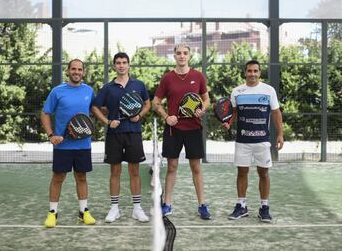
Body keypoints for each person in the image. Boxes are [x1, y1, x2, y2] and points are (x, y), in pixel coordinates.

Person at [152, 43, 211, 220]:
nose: (182, 56)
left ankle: (202, 205)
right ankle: (167, 204)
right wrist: (166, 116)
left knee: (196, 167)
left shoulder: (198, 76)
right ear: (174, 56)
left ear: (189, 55)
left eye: (185, 53)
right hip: (173, 129)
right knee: (172, 167)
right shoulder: (167, 78)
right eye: (178, 53)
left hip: (193, 128)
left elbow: (206, 100)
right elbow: (156, 102)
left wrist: (203, 109)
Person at [92, 52, 151, 223]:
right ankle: (114, 208)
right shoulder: (107, 88)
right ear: (114, 66)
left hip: (133, 132)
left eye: (124, 62)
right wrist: (107, 121)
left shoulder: (138, 85)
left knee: (134, 171)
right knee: (115, 172)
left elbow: (147, 103)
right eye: (118, 63)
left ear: (129, 64)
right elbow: (95, 107)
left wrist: (139, 116)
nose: (121, 65)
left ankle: (137, 209)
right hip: (114, 135)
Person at [223, 60, 284, 223]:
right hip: (242, 141)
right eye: (249, 71)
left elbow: (276, 113)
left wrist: (280, 134)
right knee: (242, 172)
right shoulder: (237, 91)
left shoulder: (268, 90)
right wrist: (227, 121)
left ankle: (264, 207)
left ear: (259, 73)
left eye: (255, 71)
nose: (252, 74)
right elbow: (233, 113)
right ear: (245, 73)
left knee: (263, 173)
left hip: (262, 141)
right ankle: (241, 206)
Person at [41, 59, 96, 228]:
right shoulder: (57, 92)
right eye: (74, 69)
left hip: (83, 145)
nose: (76, 72)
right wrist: (51, 135)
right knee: (58, 178)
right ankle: (52, 213)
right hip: (62, 145)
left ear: (83, 72)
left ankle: (83, 212)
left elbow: (95, 111)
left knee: (81, 177)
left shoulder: (89, 91)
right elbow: (45, 113)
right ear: (68, 71)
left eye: (80, 69)